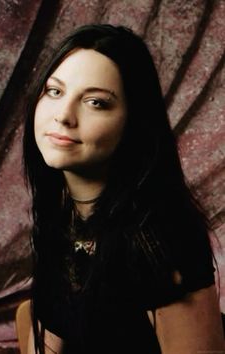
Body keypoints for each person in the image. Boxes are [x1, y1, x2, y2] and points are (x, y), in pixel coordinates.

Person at [23, 24, 225, 354]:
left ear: (133, 123)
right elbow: (49, 332)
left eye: (95, 102)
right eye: (55, 91)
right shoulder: (61, 213)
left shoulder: (159, 238)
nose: (63, 116)